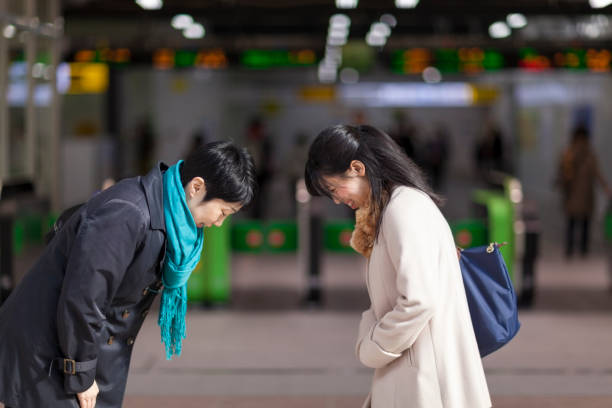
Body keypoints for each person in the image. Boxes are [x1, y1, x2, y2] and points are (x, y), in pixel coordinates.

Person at [0, 141, 256, 408]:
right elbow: (84, 297)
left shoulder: (164, 213)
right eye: (223, 211)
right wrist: (82, 372)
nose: (219, 223)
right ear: (196, 187)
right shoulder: (128, 212)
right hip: (47, 356)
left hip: (76, 349)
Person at [304, 125, 490, 408]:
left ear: (357, 168)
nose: (336, 199)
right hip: (416, 371)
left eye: (333, 188)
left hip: (427, 382)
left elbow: (418, 300)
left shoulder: (404, 210)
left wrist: (373, 346)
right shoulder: (396, 208)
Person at [556, 125, 612, 258]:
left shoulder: (568, 153)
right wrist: (606, 187)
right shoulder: (589, 154)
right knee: (584, 222)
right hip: (586, 194)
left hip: (572, 194)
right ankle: (583, 250)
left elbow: (562, 172)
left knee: (572, 222)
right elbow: (597, 173)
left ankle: (570, 249)